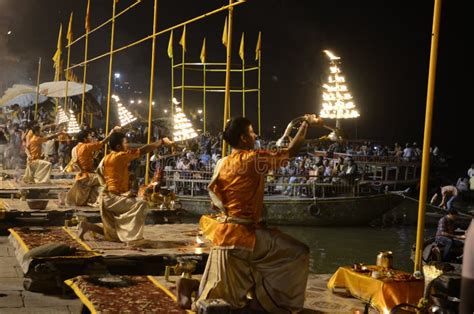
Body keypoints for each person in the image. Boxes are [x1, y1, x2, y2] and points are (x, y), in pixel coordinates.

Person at [178, 115, 320, 313]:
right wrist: (306, 124)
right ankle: (269, 302)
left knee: (234, 289)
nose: (255, 135)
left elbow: (214, 200)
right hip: (244, 235)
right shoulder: (254, 160)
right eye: (252, 132)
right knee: (299, 252)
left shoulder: (222, 162)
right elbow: (290, 152)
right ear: (244, 138)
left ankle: (192, 285)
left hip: (226, 232)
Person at [78, 132, 174, 244]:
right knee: (141, 203)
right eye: (126, 143)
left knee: (114, 235)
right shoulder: (119, 156)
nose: (128, 145)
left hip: (108, 198)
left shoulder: (106, 157)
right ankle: (133, 238)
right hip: (112, 199)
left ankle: (87, 226)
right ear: (118, 146)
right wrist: (161, 142)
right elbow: (142, 150)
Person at [66, 126, 120, 206]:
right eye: (89, 136)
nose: (91, 138)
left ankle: (94, 200)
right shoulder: (86, 146)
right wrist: (111, 133)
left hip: (81, 175)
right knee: (109, 179)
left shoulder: (75, 148)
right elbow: (102, 143)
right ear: (85, 139)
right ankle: (103, 202)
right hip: (87, 176)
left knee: (99, 182)